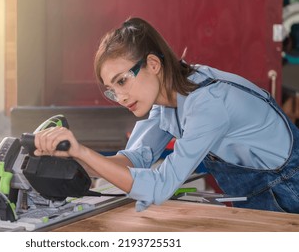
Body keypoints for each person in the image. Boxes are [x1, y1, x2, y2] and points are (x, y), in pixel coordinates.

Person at [33, 17, 299, 213]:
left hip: (289, 189)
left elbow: (159, 187)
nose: (120, 97)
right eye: (111, 91)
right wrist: (73, 157)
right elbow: (134, 161)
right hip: (259, 196)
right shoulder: (163, 98)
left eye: (122, 81)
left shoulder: (208, 103)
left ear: (153, 64)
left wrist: (82, 152)